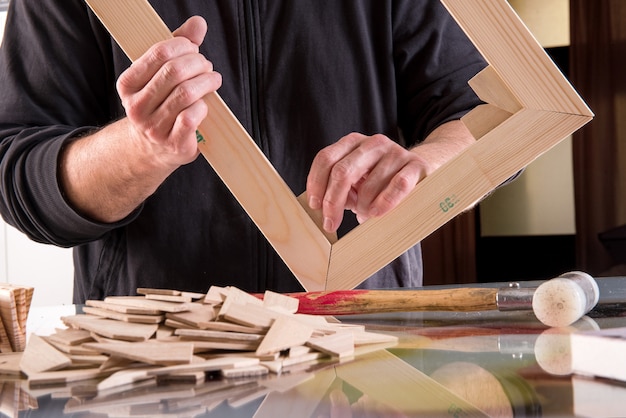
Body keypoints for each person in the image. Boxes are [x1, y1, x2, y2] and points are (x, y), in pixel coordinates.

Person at [0, 0, 486, 303]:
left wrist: (426, 164)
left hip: (364, 346)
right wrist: (140, 149)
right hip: (153, 361)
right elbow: (20, 176)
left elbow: (486, 114)